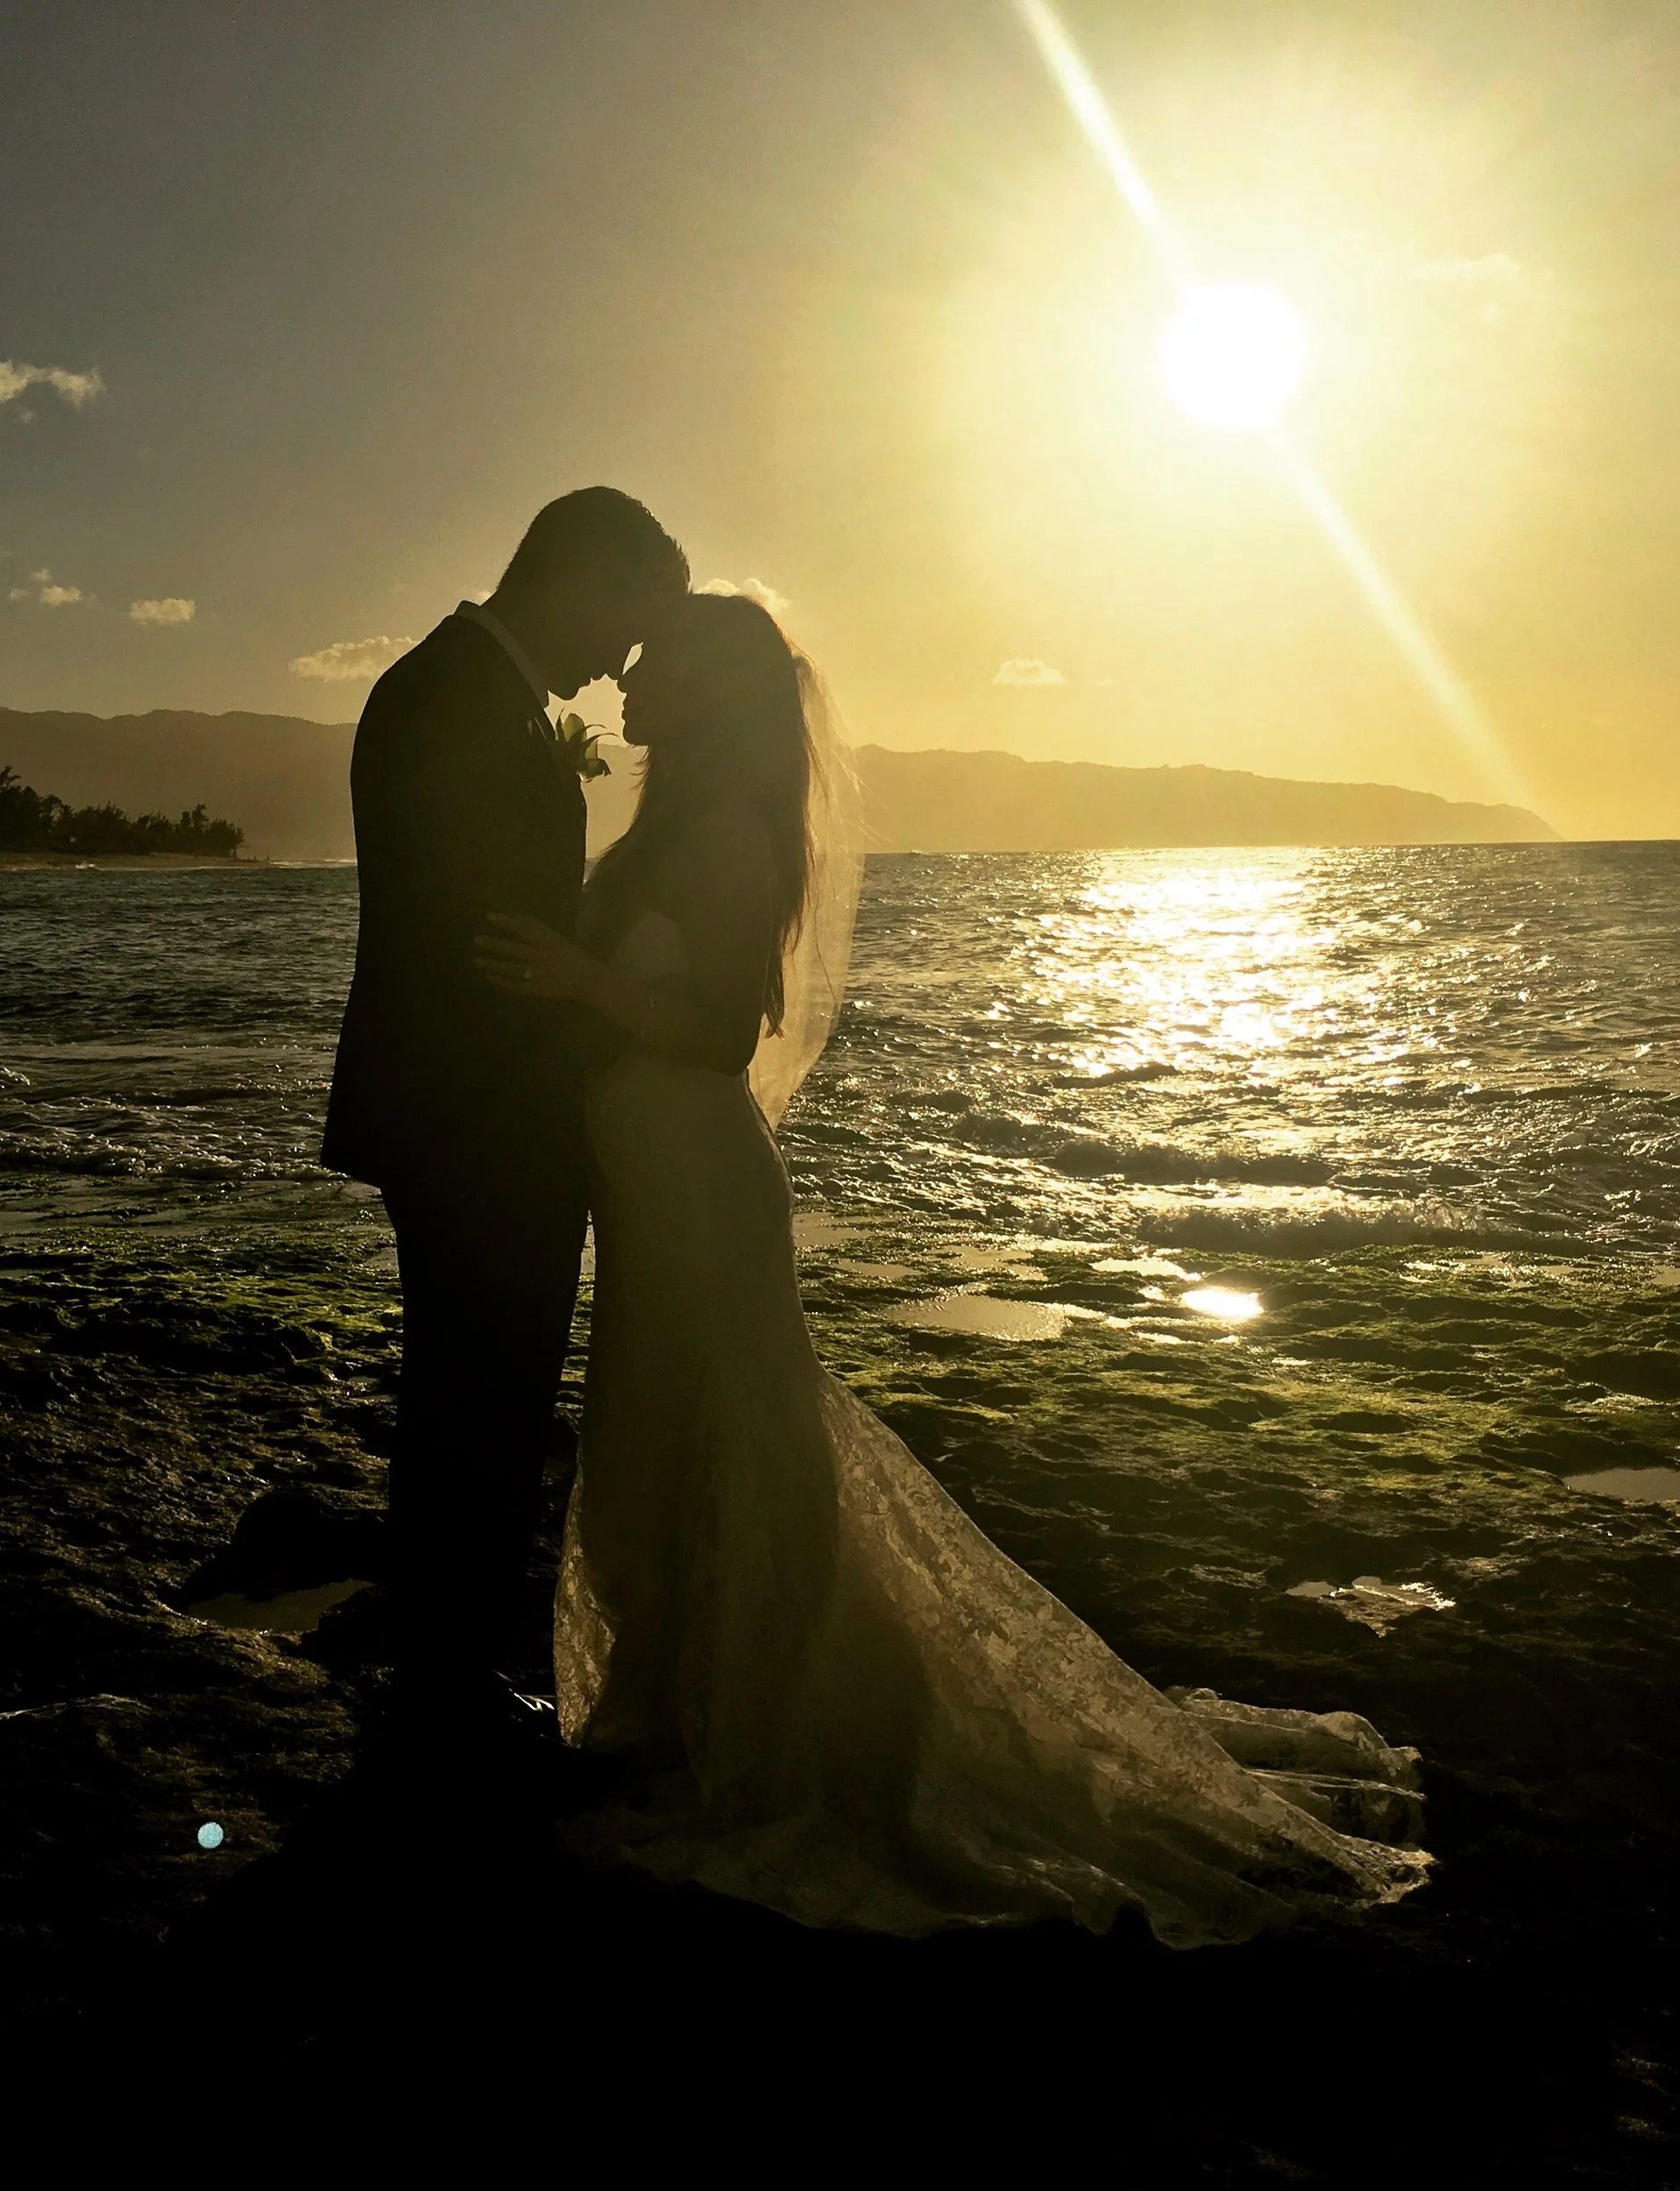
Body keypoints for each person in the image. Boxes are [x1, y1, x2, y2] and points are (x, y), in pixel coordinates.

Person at [474, 589, 1430, 1944]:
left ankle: (756, 1721)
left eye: (658, 655)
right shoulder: (666, 824)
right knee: (650, 1436)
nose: (628, 671)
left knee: (733, 1432)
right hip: (647, 1188)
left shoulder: (733, 835)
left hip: (697, 1178)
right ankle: (684, 1707)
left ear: (715, 687)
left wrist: (585, 989)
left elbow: (714, 1023)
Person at [323, 486, 690, 1755]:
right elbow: (481, 946)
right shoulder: (455, 699)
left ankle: (448, 1661)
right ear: (581, 578)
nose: (620, 664)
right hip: (475, 1116)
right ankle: (451, 1679)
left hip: (466, 1111)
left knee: (475, 1389)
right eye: (627, 626)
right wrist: (602, 1023)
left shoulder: (465, 689)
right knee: (481, 1393)